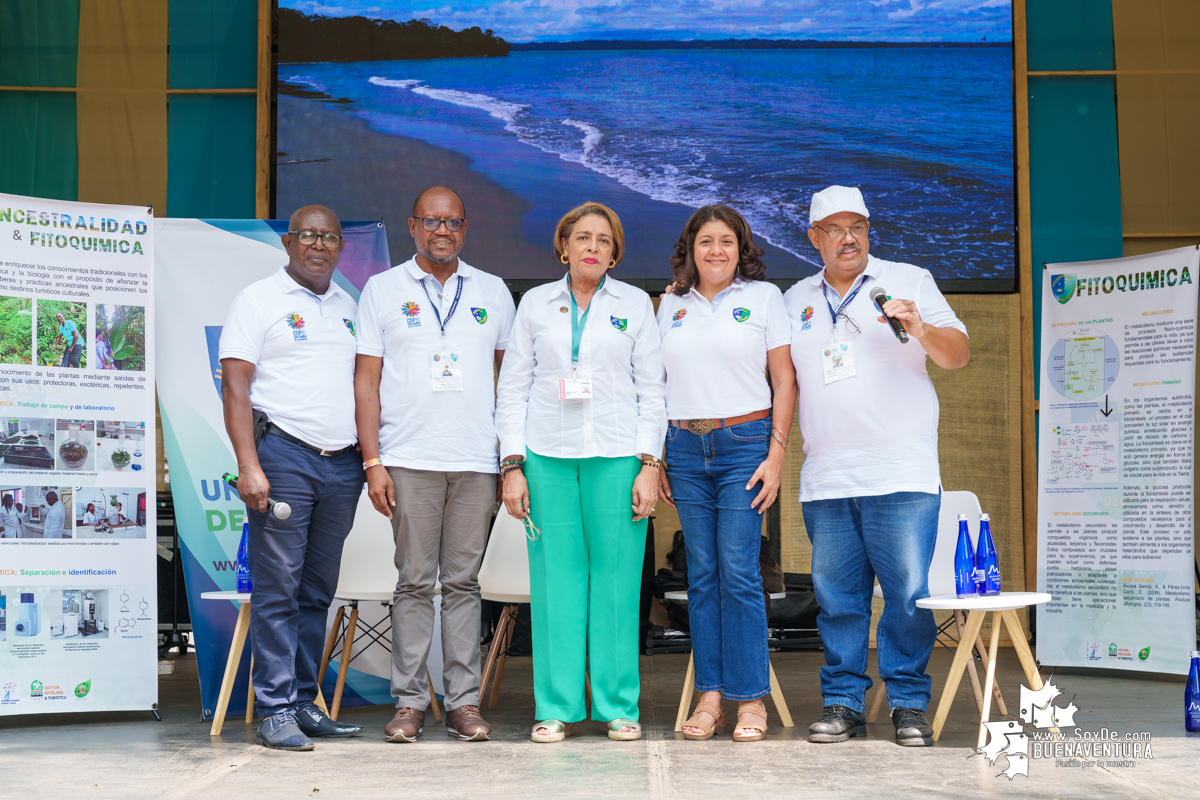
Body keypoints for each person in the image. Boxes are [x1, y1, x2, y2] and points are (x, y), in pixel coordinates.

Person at [783, 186, 969, 747]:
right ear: (814, 237)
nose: (848, 237)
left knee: (908, 596)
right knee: (838, 601)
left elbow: (957, 355)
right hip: (828, 475)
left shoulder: (909, 280)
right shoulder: (794, 298)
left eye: (857, 226)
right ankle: (842, 703)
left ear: (868, 231)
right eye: (835, 229)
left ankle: (909, 705)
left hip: (902, 472)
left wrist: (919, 327)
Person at [496, 202, 665, 743]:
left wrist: (648, 464)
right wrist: (513, 464)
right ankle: (557, 707)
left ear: (615, 252)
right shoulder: (535, 306)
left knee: (617, 585)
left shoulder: (636, 305)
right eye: (582, 238)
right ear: (563, 246)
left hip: (617, 458)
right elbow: (513, 388)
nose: (592, 247)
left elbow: (653, 390)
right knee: (555, 584)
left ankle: (617, 706)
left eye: (603, 240)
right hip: (545, 457)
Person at [355, 186, 515, 744]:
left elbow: (513, 381)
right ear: (412, 226)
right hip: (408, 459)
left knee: (465, 584)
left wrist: (509, 458)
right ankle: (409, 705)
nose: (442, 230)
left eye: (452, 222)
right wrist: (373, 460)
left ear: (464, 229)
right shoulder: (381, 289)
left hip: (476, 461)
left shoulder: (493, 291)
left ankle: (464, 703)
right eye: (431, 221)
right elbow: (366, 381)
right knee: (415, 583)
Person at [219, 204, 365, 751]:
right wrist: (248, 464)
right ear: (288, 242)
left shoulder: (350, 306)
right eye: (307, 235)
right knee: (278, 587)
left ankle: (305, 701)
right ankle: (274, 708)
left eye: (329, 237)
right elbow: (236, 388)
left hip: (342, 463)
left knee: (316, 591)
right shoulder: (258, 300)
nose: (319, 245)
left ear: (340, 247)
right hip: (283, 456)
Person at [658, 205, 796, 742]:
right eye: (706, 241)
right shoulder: (668, 304)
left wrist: (777, 455)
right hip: (684, 449)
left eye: (727, 241)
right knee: (702, 576)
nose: (716, 250)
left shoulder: (764, 299)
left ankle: (750, 701)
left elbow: (784, 381)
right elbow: (654, 385)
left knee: (739, 573)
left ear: (742, 249)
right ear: (690, 248)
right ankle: (710, 696)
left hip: (744, 446)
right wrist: (657, 457)